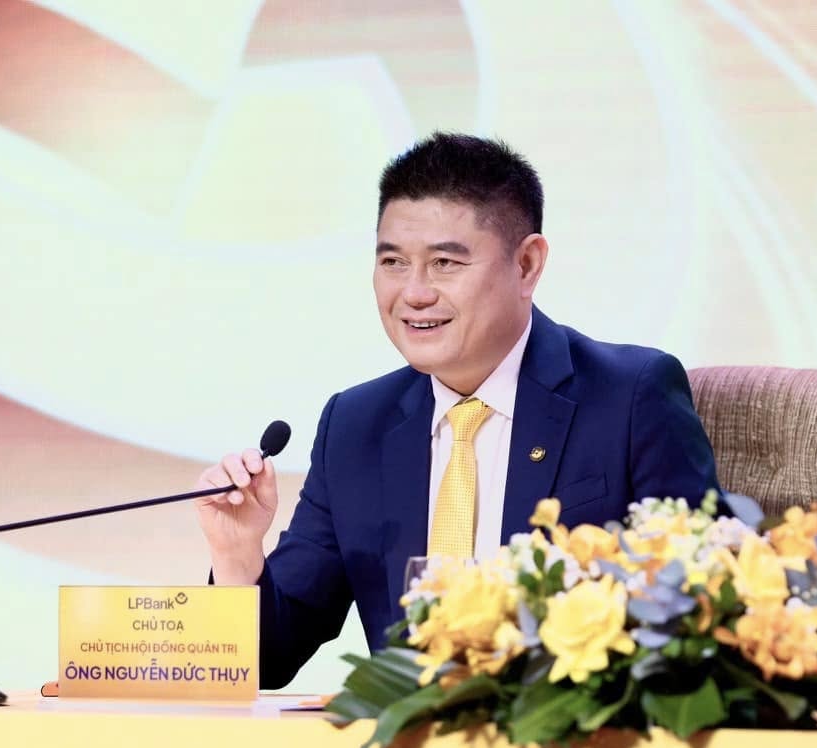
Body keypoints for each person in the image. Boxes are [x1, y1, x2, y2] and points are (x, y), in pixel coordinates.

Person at [197, 132, 722, 688]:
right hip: (410, 738)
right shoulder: (355, 425)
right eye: (393, 262)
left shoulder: (629, 396)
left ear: (527, 264)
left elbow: (699, 617)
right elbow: (271, 659)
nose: (414, 293)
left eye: (445, 263)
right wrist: (237, 554)